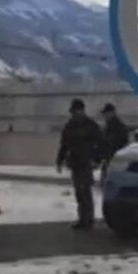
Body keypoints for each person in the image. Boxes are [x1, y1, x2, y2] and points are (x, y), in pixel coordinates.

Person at [56, 99, 105, 230]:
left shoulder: (91, 125)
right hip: (75, 163)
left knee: (85, 191)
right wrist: (59, 161)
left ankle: (89, 219)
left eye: (76, 111)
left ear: (82, 110)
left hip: (86, 162)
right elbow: (64, 145)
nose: (74, 114)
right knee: (79, 192)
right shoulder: (70, 126)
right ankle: (82, 219)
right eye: (73, 112)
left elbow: (101, 143)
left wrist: (97, 159)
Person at [100, 103, 130, 181]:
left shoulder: (118, 127)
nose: (105, 116)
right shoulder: (107, 126)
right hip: (109, 159)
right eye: (104, 114)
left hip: (115, 159)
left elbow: (120, 143)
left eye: (106, 113)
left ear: (112, 113)